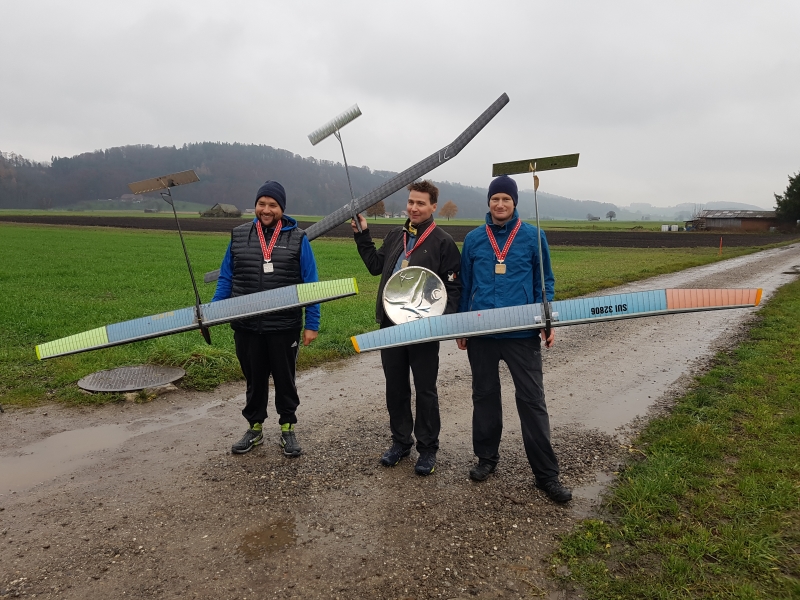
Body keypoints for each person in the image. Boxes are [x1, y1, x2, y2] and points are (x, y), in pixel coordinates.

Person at [456, 175, 572, 503]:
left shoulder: (534, 236)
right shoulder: (474, 239)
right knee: (484, 396)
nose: (500, 204)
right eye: (495, 198)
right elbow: (465, 285)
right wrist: (463, 326)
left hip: (522, 334)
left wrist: (547, 321)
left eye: (506, 199)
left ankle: (546, 474)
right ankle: (486, 458)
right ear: (488, 202)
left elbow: (544, 282)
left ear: (515, 202)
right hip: (482, 333)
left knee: (532, 400)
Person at [352, 180, 461, 475]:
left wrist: (441, 321)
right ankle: (400, 442)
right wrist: (362, 235)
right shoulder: (395, 235)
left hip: (424, 329)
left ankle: (428, 449)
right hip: (391, 325)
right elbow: (375, 265)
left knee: (425, 390)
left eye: (421, 203)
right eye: (411, 202)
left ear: (433, 206)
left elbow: (454, 287)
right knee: (396, 388)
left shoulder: (443, 242)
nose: (414, 208)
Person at [212, 180, 320, 458]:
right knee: (254, 380)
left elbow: (311, 283)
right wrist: (214, 310)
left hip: (284, 326)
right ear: (256, 205)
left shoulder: (298, 238)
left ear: (281, 208)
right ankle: (255, 428)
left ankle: (287, 429)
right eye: (262, 204)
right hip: (246, 326)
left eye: (272, 205)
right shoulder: (239, 236)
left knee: (285, 380)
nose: (266, 209)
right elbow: (226, 277)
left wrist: (312, 323)